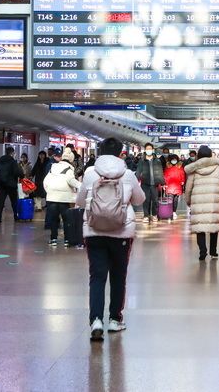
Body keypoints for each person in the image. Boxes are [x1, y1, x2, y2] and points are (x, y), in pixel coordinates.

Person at [75, 137, 144, 341]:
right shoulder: (128, 174)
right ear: (121, 153)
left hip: (94, 231)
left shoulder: (90, 174)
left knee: (97, 277)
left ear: (100, 152)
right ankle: (115, 319)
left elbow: (80, 201)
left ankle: (96, 320)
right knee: (118, 276)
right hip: (121, 231)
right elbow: (139, 199)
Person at [184, 145, 219, 260]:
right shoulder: (217, 167)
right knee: (213, 225)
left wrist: (188, 200)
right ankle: (213, 251)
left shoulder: (194, 168)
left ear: (198, 155)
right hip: (213, 198)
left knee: (199, 226)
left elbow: (188, 187)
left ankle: (202, 252)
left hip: (198, 199)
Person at [44, 147, 81, 245]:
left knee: (54, 219)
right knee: (66, 219)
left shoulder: (52, 168)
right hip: (64, 199)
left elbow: (45, 181)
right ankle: (67, 240)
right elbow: (70, 180)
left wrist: (49, 191)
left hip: (52, 197)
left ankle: (53, 239)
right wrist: (81, 186)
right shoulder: (68, 169)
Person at [0, 146, 23, 223]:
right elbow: (16, 172)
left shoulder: (1, 161)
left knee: (0, 202)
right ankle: (16, 217)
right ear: (12, 153)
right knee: (14, 201)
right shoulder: (13, 162)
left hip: (2, 185)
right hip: (11, 185)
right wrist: (23, 176)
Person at [135, 142, 164, 222]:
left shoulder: (157, 160)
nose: (149, 150)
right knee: (146, 200)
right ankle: (146, 215)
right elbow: (138, 171)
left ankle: (154, 214)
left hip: (155, 183)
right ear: (145, 150)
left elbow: (160, 171)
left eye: (150, 149)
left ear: (152, 150)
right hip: (145, 183)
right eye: (147, 149)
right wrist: (136, 181)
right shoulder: (142, 161)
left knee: (155, 200)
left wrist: (163, 183)